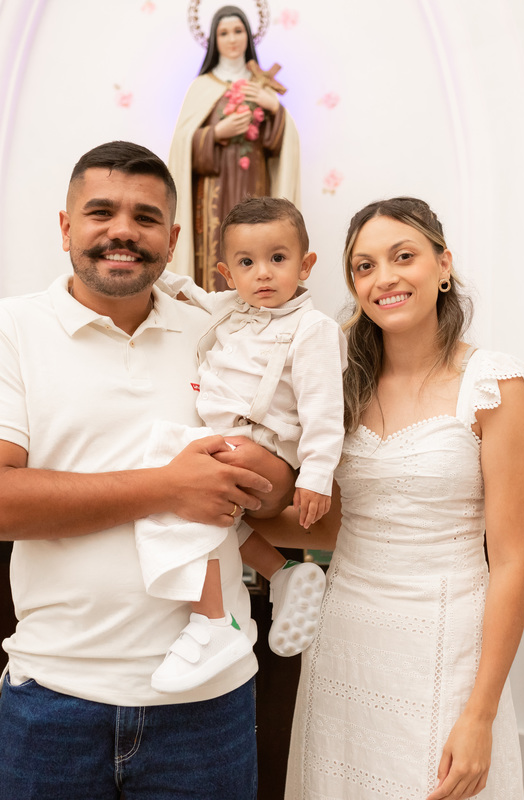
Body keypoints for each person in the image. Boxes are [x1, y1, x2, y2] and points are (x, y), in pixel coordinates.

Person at [0, 140, 297, 799]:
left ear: (172, 239)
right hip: (54, 694)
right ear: (65, 227)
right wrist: (170, 487)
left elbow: (279, 482)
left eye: (145, 218)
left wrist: (265, 475)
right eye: (101, 212)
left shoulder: (215, 330)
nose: (122, 231)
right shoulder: (10, 329)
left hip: (207, 705)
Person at [254, 197, 524, 799]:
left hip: (445, 644)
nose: (383, 277)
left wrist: (481, 713)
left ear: (444, 266)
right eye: (364, 266)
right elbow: (331, 526)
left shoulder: (493, 386)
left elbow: (511, 561)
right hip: (344, 640)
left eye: (403, 256)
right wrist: (232, 519)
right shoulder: (338, 385)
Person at [138, 196, 345, 694]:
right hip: (226, 436)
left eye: (278, 258)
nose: (263, 273)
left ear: (305, 265)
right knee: (214, 515)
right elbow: (189, 293)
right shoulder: (231, 307)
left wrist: (317, 477)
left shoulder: (313, 328)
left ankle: (214, 622)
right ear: (228, 274)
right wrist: (152, 270)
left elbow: (323, 411)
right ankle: (282, 573)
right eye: (247, 263)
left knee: (175, 486)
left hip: (263, 442)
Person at [168, 4, 300, 289]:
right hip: (212, 189)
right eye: (224, 33)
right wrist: (216, 133)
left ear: (248, 36)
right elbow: (182, 145)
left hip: (255, 181)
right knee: (216, 246)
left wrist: (275, 109)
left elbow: (279, 146)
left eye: (238, 31)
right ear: (214, 40)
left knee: (256, 241)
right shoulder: (202, 86)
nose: (232, 39)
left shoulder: (262, 85)